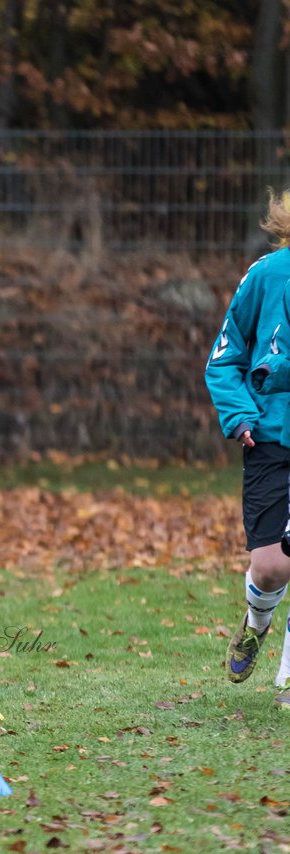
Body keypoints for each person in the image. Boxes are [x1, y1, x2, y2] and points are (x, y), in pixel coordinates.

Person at [204, 188, 290, 709]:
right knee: (272, 568)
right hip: (271, 437)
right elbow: (224, 358)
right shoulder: (265, 276)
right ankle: (257, 622)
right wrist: (240, 417)